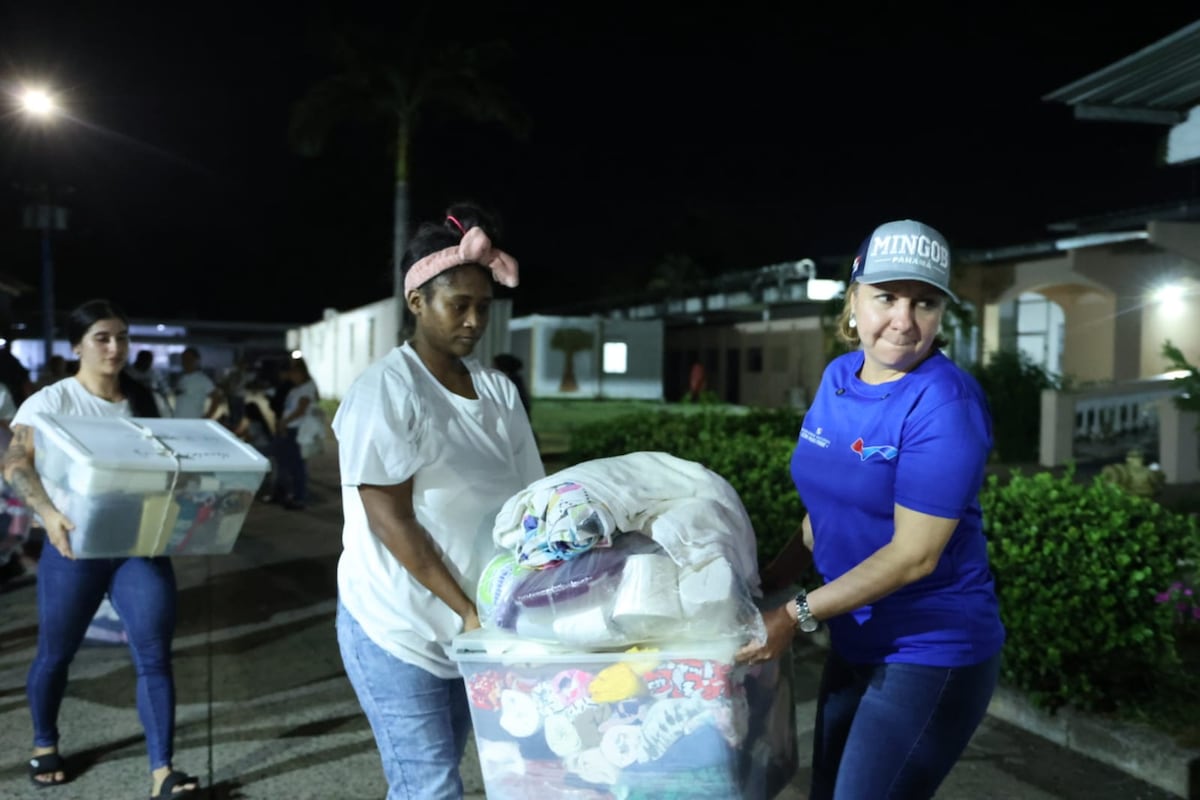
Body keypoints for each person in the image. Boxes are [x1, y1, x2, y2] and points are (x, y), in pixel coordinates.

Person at [738, 219, 1005, 800]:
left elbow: (914, 556)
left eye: (924, 302)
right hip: (856, 640)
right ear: (853, 299)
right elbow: (826, 511)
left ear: (941, 315)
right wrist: (767, 581)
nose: (903, 321)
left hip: (931, 650)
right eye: (886, 297)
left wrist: (793, 615)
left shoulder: (944, 403)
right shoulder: (838, 378)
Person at [332, 203, 544, 799]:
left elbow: (530, 500)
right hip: (398, 627)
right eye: (459, 305)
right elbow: (390, 520)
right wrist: (467, 609)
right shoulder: (387, 389)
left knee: (443, 774)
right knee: (429, 787)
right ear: (418, 302)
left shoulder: (497, 389)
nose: (474, 321)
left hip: (472, 628)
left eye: (484, 306)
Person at [2, 299, 200, 797]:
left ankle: (163, 771)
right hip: (74, 548)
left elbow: (171, 471)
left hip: (139, 546)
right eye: (102, 338)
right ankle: (45, 742)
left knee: (154, 655)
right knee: (55, 655)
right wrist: (48, 514)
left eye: (121, 337)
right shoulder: (51, 403)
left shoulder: (146, 401)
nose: (115, 347)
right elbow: (15, 463)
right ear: (77, 346)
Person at [271, 356, 319, 511]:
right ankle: (291, 495)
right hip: (290, 428)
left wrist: (284, 422)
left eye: (293, 373)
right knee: (289, 464)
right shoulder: (297, 388)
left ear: (300, 372)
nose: (290, 377)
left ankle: (300, 497)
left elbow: (301, 409)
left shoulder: (306, 388)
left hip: (297, 430)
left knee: (297, 466)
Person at [171, 346, 221, 419]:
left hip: (193, 420)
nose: (186, 362)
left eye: (189, 359)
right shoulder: (182, 378)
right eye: (184, 359)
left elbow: (216, 397)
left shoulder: (202, 379)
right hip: (178, 419)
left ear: (196, 360)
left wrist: (208, 416)